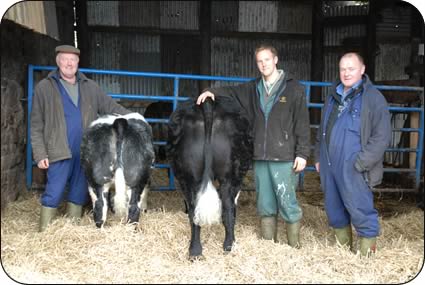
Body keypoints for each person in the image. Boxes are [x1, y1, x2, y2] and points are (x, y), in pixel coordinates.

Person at [196, 44, 310, 248]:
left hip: (284, 155)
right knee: (265, 203)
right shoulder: (252, 88)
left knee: (287, 201)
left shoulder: (294, 88)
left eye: (267, 59)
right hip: (259, 155)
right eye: (260, 61)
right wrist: (210, 91)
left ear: (275, 60)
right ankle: (269, 246)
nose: (264, 64)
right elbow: (230, 91)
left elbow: (302, 122)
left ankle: (295, 247)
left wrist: (302, 153)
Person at [31, 45, 131, 232]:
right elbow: (36, 124)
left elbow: (109, 106)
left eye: (73, 60)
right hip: (58, 148)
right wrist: (39, 153)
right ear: (58, 61)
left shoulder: (90, 86)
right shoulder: (44, 88)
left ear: (78, 62)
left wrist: (133, 117)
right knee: (55, 191)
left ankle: (72, 232)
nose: (69, 63)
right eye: (65, 59)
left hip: (86, 150)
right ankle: (44, 234)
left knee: (79, 191)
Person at [314, 52, 391, 257]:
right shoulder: (332, 97)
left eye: (351, 68)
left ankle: (366, 258)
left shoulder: (373, 99)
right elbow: (321, 130)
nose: (346, 73)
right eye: (343, 69)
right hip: (330, 166)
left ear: (362, 69)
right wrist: (318, 157)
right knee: (335, 210)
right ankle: (344, 257)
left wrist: (361, 162)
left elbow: (381, 136)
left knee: (361, 211)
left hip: (354, 167)